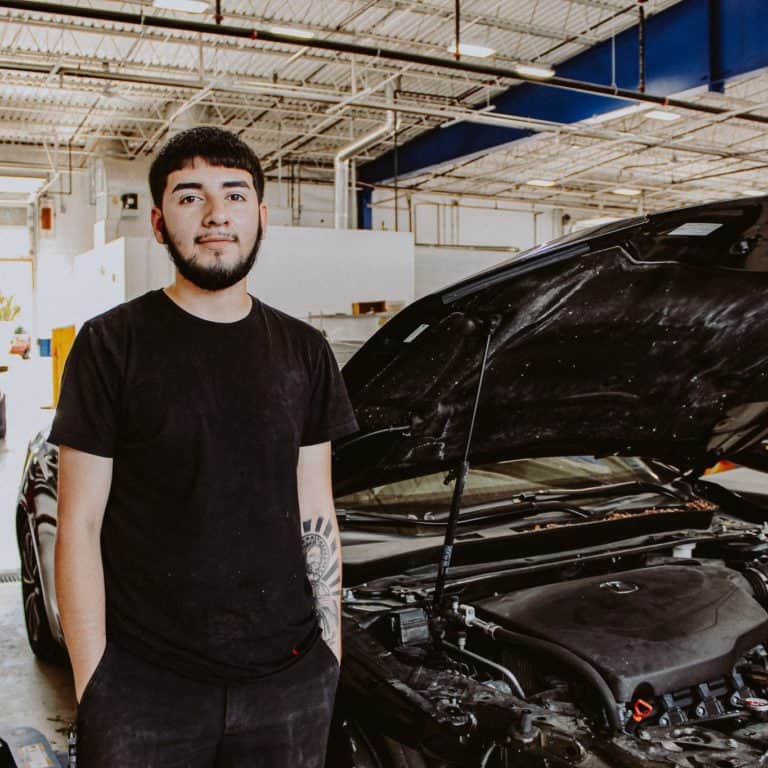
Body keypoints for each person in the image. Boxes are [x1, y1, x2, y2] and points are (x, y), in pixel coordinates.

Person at [49, 126, 358, 767]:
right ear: (159, 224)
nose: (217, 214)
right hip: (143, 688)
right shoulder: (110, 345)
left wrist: (330, 655)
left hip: (290, 682)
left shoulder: (306, 351)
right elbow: (76, 523)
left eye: (235, 194)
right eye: (191, 197)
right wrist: (95, 682)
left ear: (262, 217)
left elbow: (316, 511)